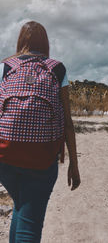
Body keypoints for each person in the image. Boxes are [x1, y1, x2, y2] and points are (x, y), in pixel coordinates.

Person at [0, 21, 81, 243]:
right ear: (45, 42)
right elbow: (67, 121)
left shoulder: (5, 66)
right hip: (41, 158)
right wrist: (74, 164)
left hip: (5, 156)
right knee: (30, 223)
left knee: (22, 207)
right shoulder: (57, 68)